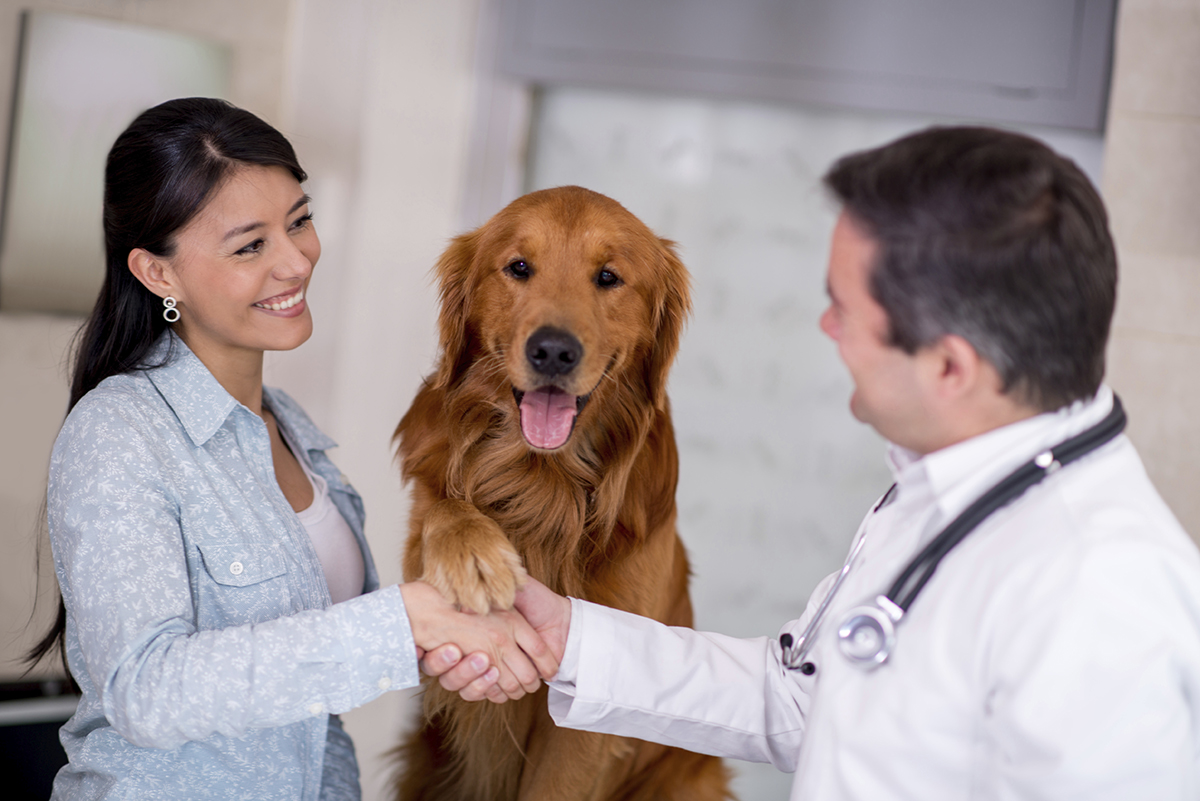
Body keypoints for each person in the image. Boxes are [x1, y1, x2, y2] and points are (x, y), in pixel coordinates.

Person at [427, 126, 1200, 798]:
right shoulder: (949, 489)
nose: (826, 326)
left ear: (950, 365)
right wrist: (575, 640)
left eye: (846, 308)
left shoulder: (1103, 591)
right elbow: (804, 700)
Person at [29, 97, 556, 801]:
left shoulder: (290, 428)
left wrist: (452, 635)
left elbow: (317, 670)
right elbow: (144, 689)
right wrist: (404, 621)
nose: (296, 262)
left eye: (300, 221)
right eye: (251, 245)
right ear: (158, 274)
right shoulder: (119, 433)